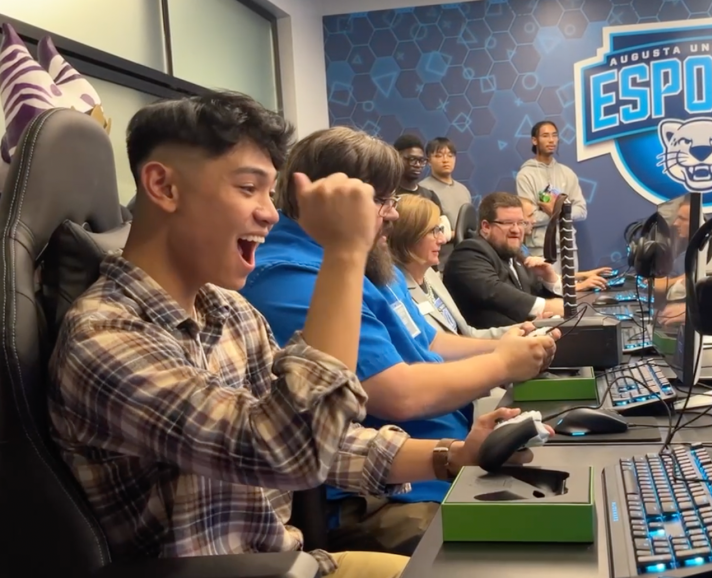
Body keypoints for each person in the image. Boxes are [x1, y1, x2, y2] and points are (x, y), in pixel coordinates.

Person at [47, 91, 540, 578]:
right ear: (164, 186)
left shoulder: (231, 311)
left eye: (270, 191)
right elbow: (290, 451)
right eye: (247, 188)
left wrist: (453, 457)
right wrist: (345, 251)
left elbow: (332, 442)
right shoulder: (106, 338)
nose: (268, 212)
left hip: (300, 563)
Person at [241, 126, 558, 556]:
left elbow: (429, 340)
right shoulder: (290, 276)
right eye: (382, 200)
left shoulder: (366, 263)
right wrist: (502, 365)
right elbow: (395, 395)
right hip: (388, 496)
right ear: (334, 199)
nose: (392, 214)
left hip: (440, 457)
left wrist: (501, 348)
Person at [389, 194, 526, 338]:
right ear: (408, 235)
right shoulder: (394, 289)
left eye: (440, 230)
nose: (442, 239)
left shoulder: (429, 275)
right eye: (433, 231)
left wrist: (522, 330)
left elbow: (468, 335)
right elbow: (433, 350)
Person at [444, 192, 569, 329]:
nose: (516, 230)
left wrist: (549, 278)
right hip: (490, 345)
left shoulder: (514, 254)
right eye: (508, 223)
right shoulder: (469, 253)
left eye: (520, 223)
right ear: (486, 227)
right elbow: (495, 292)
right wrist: (547, 307)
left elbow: (534, 293)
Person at [515, 120, 587, 273]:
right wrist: (558, 214)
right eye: (545, 136)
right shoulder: (525, 175)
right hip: (540, 249)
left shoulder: (567, 173)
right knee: (547, 293)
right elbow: (529, 218)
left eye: (554, 135)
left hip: (568, 246)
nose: (551, 140)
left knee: (574, 292)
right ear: (535, 140)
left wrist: (557, 213)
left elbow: (581, 210)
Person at [518, 196, 608, 291]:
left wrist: (584, 275)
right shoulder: (516, 253)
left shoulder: (522, 248)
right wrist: (580, 286)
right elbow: (541, 282)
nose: (534, 220)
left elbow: (550, 277)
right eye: (530, 215)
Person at [420, 136, 472, 232]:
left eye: (450, 155)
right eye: (438, 156)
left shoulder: (463, 189)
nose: (445, 160)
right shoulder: (423, 189)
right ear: (428, 161)